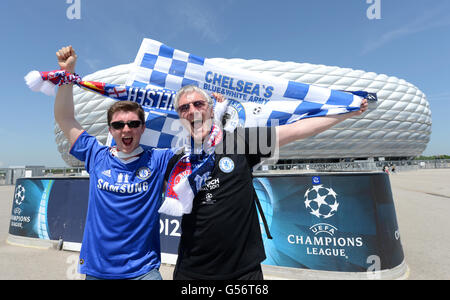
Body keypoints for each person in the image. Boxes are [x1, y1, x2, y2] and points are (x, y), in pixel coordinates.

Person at [166, 85, 368, 280]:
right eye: (184, 107)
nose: (192, 111)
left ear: (211, 109)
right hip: (191, 272)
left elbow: (297, 130)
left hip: (243, 272)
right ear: (180, 117)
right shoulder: (177, 160)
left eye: (199, 104)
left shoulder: (241, 141)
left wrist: (348, 111)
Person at [54, 46, 174, 280]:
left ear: (143, 127)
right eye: (119, 125)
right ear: (110, 130)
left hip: (144, 271)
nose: (126, 129)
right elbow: (65, 117)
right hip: (98, 271)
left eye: (133, 124)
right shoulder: (96, 155)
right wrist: (67, 75)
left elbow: (199, 147)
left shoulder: (159, 159)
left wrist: (216, 111)